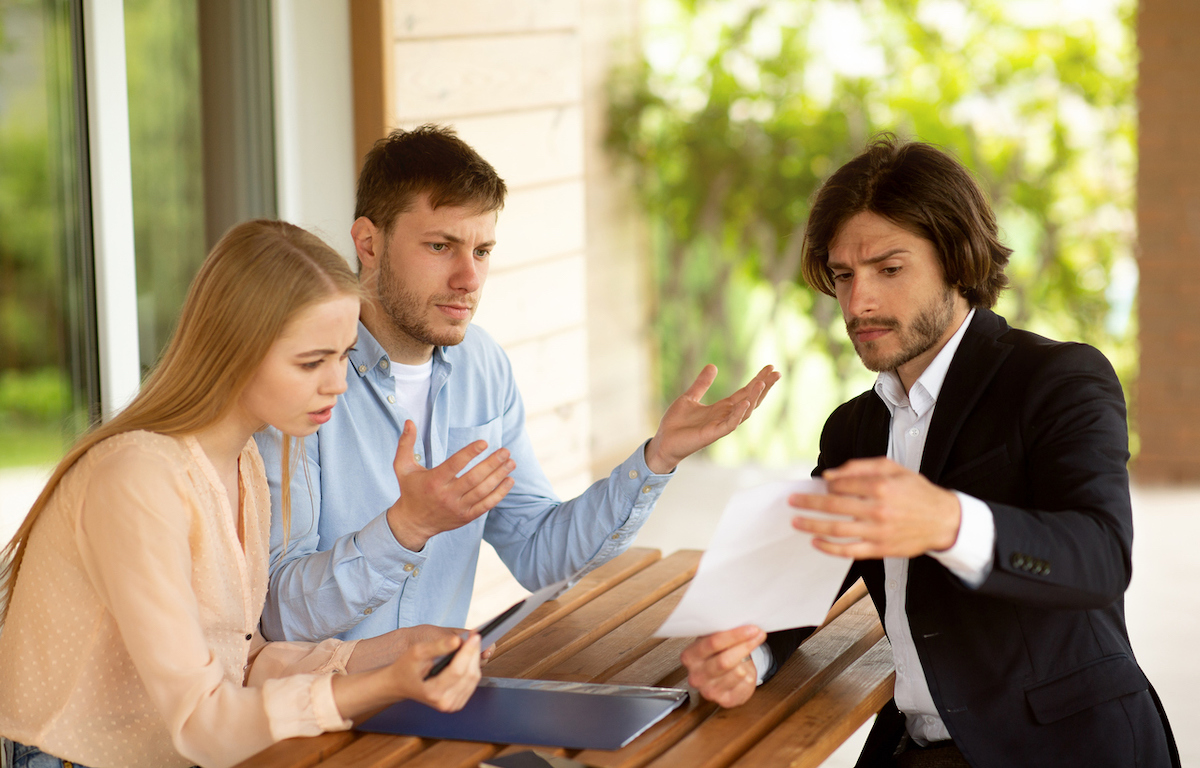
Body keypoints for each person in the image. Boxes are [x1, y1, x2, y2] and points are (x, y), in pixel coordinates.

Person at [678, 136, 1179, 767]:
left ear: (957, 260)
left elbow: (1100, 558)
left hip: (1065, 748)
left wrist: (947, 521)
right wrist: (744, 656)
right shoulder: (853, 431)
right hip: (918, 749)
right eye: (842, 275)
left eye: (889, 269)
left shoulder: (1058, 379)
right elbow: (800, 586)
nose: (858, 303)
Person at [257, 125, 780, 643]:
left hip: (437, 693)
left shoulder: (481, 364)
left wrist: (657, 458)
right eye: (441, 246)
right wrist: (405, 528)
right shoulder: (304, 378)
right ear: (369, 243)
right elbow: (280, 616)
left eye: (482, 251)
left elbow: (538, 552)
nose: (470, 278)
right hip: (321, 712)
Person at [0, 220, 482, 768]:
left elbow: (242, 663)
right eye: (310, 362)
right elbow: (205, 724)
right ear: (235, 351)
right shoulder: (136, 478)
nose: (338, 384)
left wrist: (386, 654)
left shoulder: (243, 463)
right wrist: (380, 686)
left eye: (342, 356)